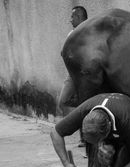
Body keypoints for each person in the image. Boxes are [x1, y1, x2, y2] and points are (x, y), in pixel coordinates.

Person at [58, 5, 88, 147]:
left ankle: (86, 137)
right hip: (72, 74)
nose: (70, 20)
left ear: (79, 17)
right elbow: (64, 52)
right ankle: (82, 129)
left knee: (87, 105)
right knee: (63, 102)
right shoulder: (72, 34)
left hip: (87, 76)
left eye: (72, 17)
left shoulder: (90, 31)